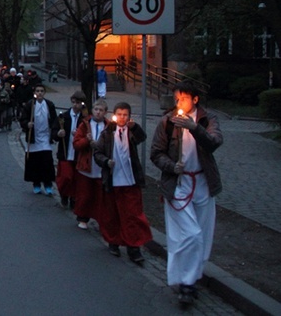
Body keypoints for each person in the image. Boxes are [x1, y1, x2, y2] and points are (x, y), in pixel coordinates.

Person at [150, 81, 224, 305]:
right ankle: (185, 282)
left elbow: (215, 142)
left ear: (195, 99)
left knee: (201, 235)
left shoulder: (207, 119)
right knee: (188, 234)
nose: (178, 103)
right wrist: (172, 167)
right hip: (178, 184)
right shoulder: (167, 122)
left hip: (202, 182)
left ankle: (191, 280)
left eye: (183, 98)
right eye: (176, 98)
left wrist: (194, 128)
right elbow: (156, 153)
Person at [92, 101, 151, 264]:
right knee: (112, 214)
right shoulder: (107, 133)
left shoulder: (131, 132)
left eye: (125, 115)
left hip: (130, 181)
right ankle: (114, 242)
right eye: (120, 114)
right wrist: (106, 161)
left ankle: (134, 247)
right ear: (115, 115)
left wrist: (135, 127)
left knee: (132, 215)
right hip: (113, 180)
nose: (122, 118)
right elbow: (97, 153)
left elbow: (142, 137)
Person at [72, 98, 108, 230]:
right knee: (84, 194)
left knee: (100, 196)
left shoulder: (109, 126)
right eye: (96, 109)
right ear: (92, 111)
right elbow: (76, 144)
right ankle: (82, 217)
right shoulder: (85, 124)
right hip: (86, 165)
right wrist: (86, 141)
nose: (98, 112)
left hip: (101, 167)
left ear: (105, 112)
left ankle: (100, 219)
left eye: (101, 110)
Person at [20, 84, 59, 195]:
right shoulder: (29, 105)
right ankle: (36, 183)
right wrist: (27, 124)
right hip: (34, 137)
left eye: (42, 91)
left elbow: (54, 120)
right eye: (37, 91)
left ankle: (48, 184)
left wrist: (54, 132)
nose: (40, 93)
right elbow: (23, 119)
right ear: (35, 92)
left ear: (44, 92)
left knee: (46, 161)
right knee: (35, 162)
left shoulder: (49, 105)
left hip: (45, 137)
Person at [56, 90, 87, 209]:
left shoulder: (85, 120)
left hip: (78, 153)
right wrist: (58, 133)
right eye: (74, 102)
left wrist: (81, 135)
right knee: (65, 176)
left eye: (78, 103)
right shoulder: (64, 117)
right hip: (65, 151)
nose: (75, 105)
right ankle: (64, 194)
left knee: (76, 178)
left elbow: (89, 134)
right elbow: (54, 132)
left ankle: (73, 197)